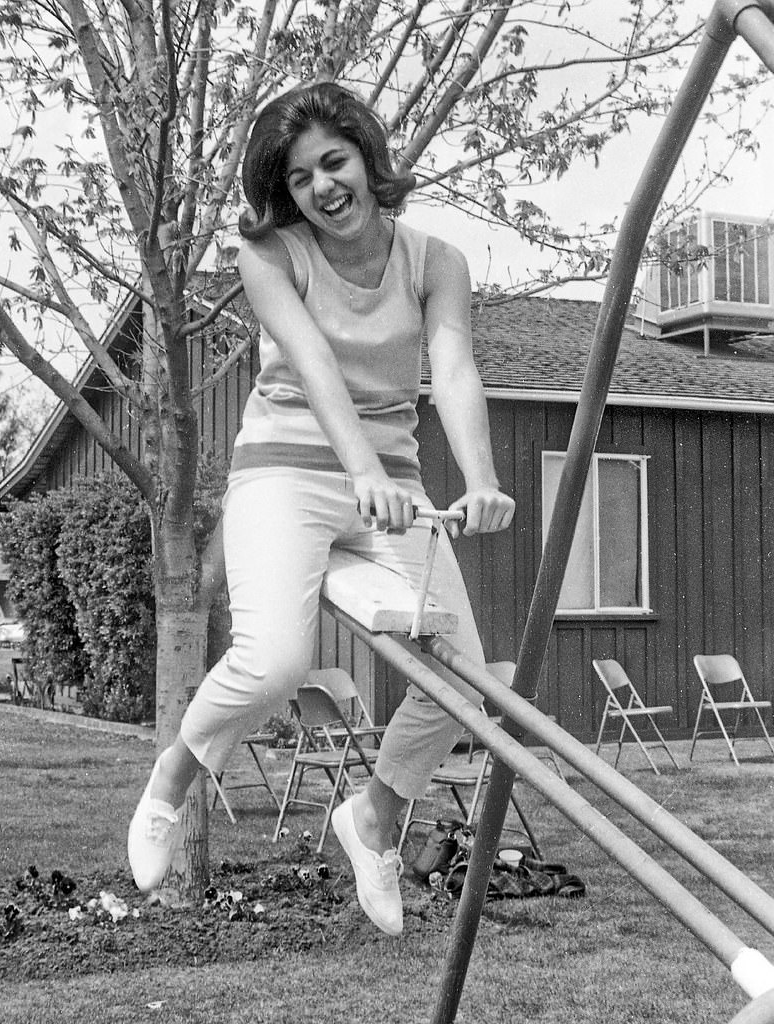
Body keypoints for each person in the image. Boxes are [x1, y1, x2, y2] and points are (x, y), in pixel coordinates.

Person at [128, 81, 515, 937]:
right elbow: (312, 366)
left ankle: (372, 816)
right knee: (273, 660)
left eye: (332, 163)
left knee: (465, 685)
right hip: (285, 473)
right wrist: (359, 470)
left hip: (393, 481)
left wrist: (480, 478)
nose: (321, 187)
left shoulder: (434, 260)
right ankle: (173, 777)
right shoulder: (270, 255)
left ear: (369, 160)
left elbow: (451, 371)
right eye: (299, 178)